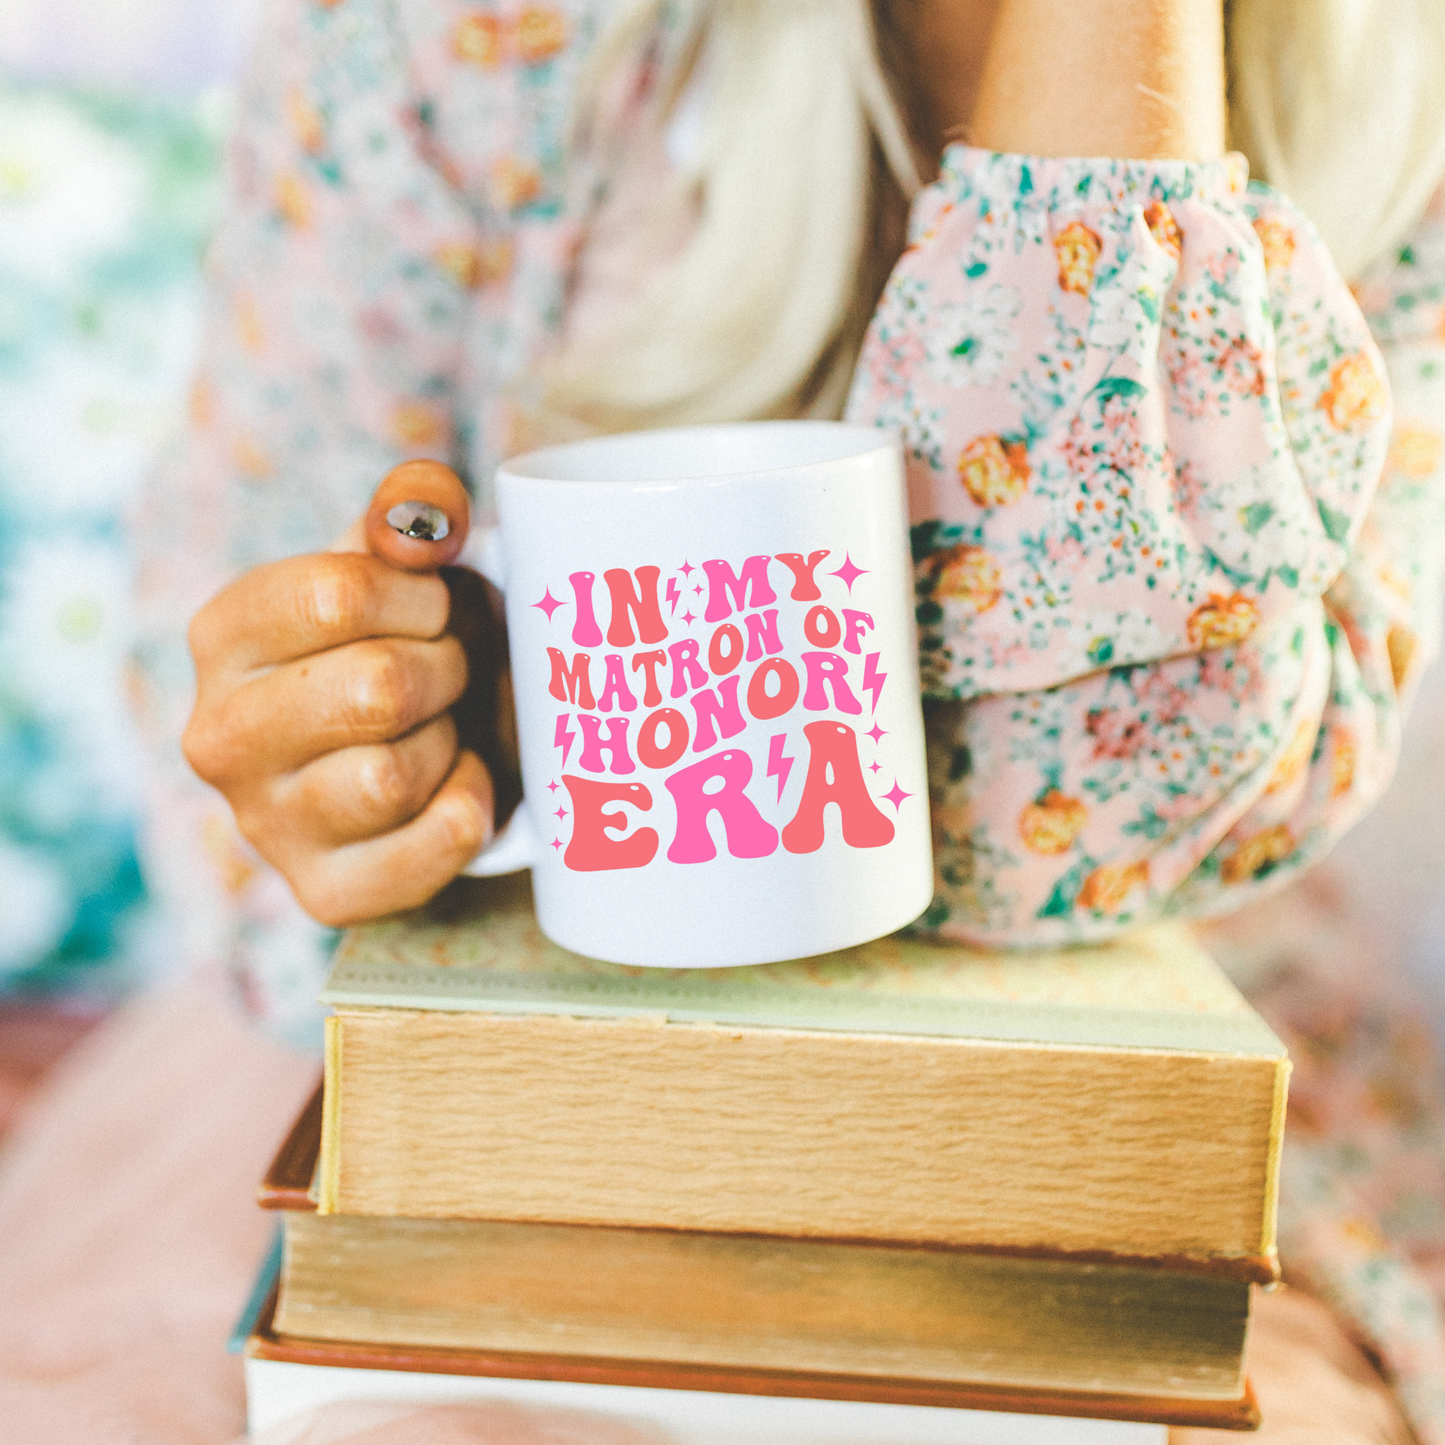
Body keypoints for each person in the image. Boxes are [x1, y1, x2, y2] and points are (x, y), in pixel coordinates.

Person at [9, 1, 1445, 1441]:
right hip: (485, 1041)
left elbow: (1054, 832)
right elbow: (242, 671)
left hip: (1151, 1051)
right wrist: (358, 750)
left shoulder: (1402, 105)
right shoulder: (455, 38)